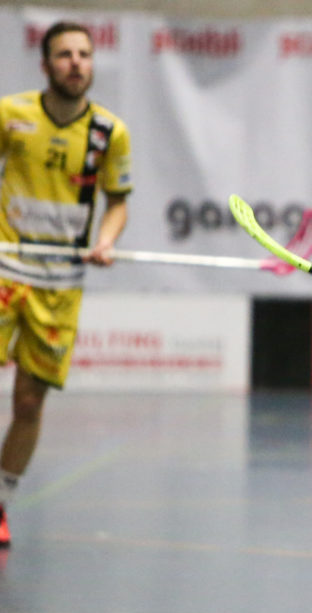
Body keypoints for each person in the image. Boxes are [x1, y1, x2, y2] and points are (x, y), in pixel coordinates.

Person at [0, 21, 131, 548]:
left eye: (84, 54)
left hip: (61, 285)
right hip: (6, 268)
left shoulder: (108, 133)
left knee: (30, 402)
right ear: (46, 65)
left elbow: (118, 200)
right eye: (64, 55)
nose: (76, 62)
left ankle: (1, 501)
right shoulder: (12, 115)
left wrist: (106, 239)